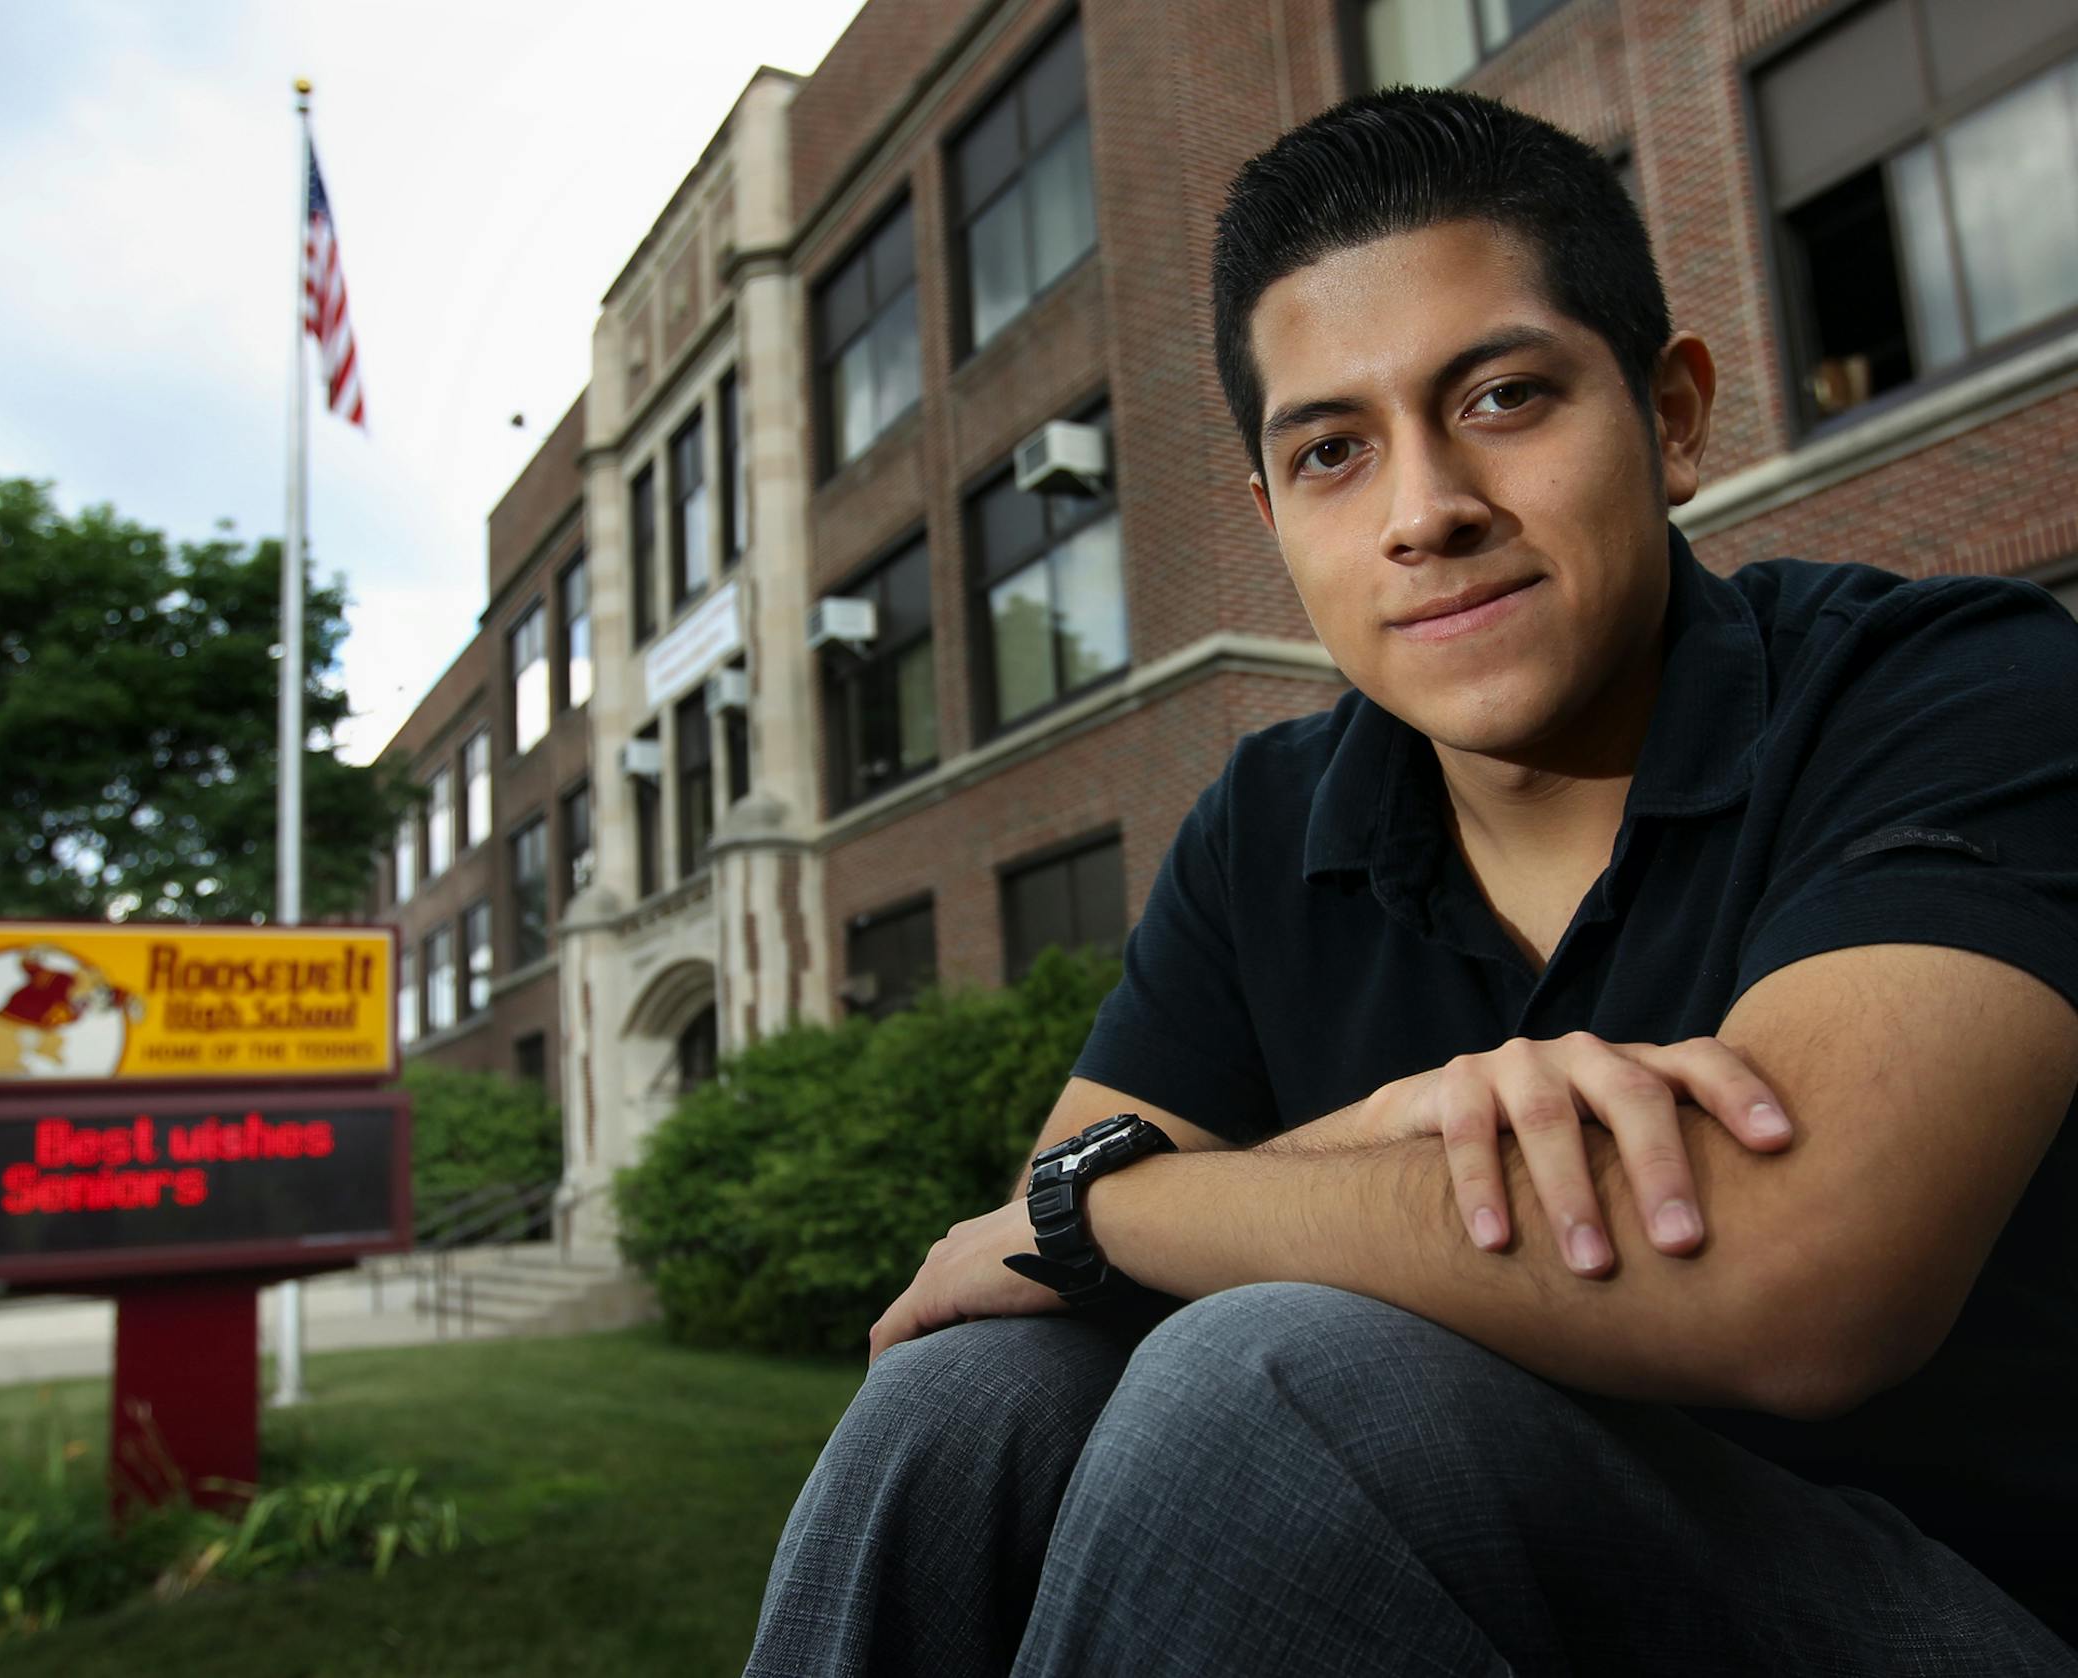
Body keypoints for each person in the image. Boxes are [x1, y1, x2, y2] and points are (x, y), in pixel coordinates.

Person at [744, 87, 2078, 1677]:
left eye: (1506, 396)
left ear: (1671, 413)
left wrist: (1155, 1201)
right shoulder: (1270, 818)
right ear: (1268, 519)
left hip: (1950, 1613)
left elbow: (1802, 1275)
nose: (1423, 510)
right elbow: (1032, 1261)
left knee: (1271, 1383)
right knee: (968, 1401)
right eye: (1330, 450)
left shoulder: (1942, 685)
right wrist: (1369, 1132)